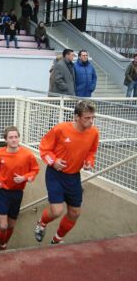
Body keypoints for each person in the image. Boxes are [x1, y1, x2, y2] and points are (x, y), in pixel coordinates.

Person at [34, 101, 99, 245]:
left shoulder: (94, 132)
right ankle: (41, 223)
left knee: (75, 213)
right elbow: (44, 149)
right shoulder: (61, 129)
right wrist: (54, 161)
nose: (90, 121)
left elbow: (91, 151)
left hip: (74, 177)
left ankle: (56, 240)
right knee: (57, 211)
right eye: (86, 118)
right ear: (76, 117)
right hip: (55, 175)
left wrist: (89, 162)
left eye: (92, 118)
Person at [0, 126, 39, 250]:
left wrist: (25, 177)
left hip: (17, 192)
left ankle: (3, 244)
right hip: (1, 192)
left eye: (16, 137)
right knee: (3, 226)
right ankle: (2, 244)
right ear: (6, 140)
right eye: (11, 137)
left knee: (11, 225)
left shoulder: (27, 155)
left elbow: (35, 170)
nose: (14, 140)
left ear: (19, 138)